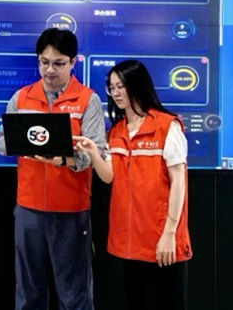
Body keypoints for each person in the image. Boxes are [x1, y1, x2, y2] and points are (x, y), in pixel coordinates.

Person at [0, 28, 105, 310]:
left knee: (74, 293)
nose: (50, 70)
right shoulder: (22, 97)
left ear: (73, 62)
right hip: (29, 208)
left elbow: (98, 153)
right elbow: (0, 141)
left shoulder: (87, 100)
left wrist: (65, 160)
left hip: (71, 210)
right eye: (44, 62)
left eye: (58, 63)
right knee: (29, 292)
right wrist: (22, 143)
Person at [75, 59, 193, 310]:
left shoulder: (166, 126)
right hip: (130, 242)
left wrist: (169, 234)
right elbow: (109, 177)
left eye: (121, 86)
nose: (116, 93)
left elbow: (179, 183)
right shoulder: (117, 132)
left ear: (137, 85)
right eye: (112, 88)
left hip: (161, 240)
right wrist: (93, 152)